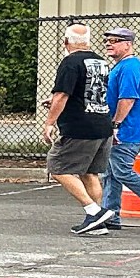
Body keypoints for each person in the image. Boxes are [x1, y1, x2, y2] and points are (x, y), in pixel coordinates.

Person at [80, 26, 140, 235]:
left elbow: (128, 98)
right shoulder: (122, 66)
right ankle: (111, 215)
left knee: (121, 171)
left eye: (115, 41)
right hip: (125, 129)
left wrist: (115, 124)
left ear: (128, 44)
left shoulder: (130, 67)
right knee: (111, 173)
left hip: (127, 130)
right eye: (107, 41)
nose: (109, 44)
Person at [42, 24, 113, 230]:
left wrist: (49, 123)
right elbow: (89, 91)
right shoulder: (100, 61)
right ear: (88, 41)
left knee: (56, 166)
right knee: (90, 173)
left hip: (80, 127)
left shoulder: (70, 62)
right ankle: (98, 223)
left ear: (66, 42)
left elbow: (62, 94)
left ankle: (93, 211)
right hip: (102, 124)